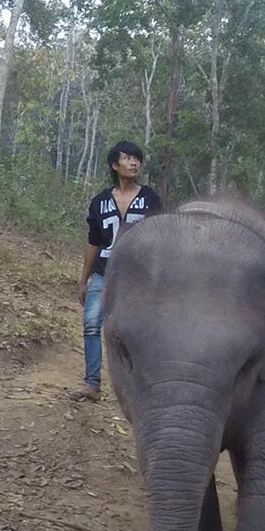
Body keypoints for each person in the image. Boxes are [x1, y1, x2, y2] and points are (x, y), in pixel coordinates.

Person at [75, 141, 162, 401]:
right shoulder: (99, 202)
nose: (134, 163)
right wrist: (84, 279)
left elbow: (160, 237)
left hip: (138, 277)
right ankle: (92, 384)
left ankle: (141, 387)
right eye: (128, 158)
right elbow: (93, 242)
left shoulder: (150, 199)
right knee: (91, 324)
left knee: (137, 331)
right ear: (115, 165)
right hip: (104, 274)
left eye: (137, 159)